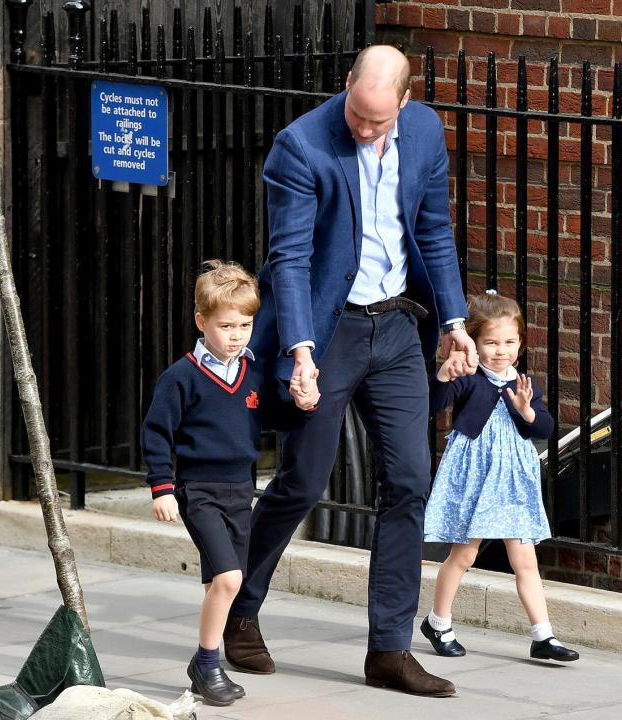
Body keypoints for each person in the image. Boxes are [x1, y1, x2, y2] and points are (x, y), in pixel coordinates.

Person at [222, 45, 477, 697]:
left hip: (396, 326)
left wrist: (453, 322)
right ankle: (237, 605)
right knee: (304, 482)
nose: (365, 130)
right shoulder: (300, 146)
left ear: (406, 101)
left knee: (410, 481)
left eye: (378, 121)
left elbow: (436, 231)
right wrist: (300, 349)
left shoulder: (424, 131)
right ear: (346, 88)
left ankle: (388, 650)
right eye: (358, 117)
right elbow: (292, 259)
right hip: (329, 332)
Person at [141, 261, 319, 707]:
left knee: (220, 586)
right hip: (198, 491)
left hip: (242, 490)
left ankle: (207, 662)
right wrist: (162, 487)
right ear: (201, 322)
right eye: (226, 325)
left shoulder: (253, 373)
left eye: (245, 324)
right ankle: (206, 662)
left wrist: (304, 404)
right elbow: (156, 433)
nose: (237, 334)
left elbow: (278, 418)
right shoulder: (180, 378)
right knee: (229, 576)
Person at [420, 291, 580, 663]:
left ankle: (544, 636)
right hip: (476, 477)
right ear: (474, 342)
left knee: (525, 560)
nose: (500, 350)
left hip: (513, 482)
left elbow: (544, 427)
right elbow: (434, 403)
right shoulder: (469, 377)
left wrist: (526, 411)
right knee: (464, 555)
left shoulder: (524, 384)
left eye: (509, 342)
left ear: (521, 344)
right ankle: (437, 621)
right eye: (490, 342)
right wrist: (444, 373)